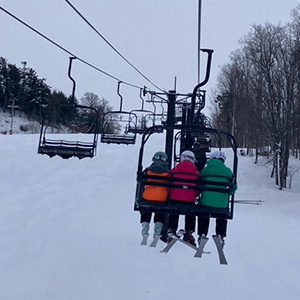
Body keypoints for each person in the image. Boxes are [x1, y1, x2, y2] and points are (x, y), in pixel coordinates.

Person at [197, 150, 237, 247]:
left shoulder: (206, 170)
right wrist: (228, 194)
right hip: (222, 203)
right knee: (222, 216)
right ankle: (220, 235)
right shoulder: (228, 171)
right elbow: (233, 187)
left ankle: (202, 234)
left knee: (204, 213)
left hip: (206, 202)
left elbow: (200, 185)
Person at [167, 150, 200, 246]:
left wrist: (170, 194)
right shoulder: (196, 173)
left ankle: (171, 229)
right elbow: (198, 189)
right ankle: (189, 232)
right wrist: (195, 195)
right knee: (190, 211)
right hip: (189, 200)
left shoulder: (175, 170)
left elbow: (168, 184)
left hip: (175, 199)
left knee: (174, 211)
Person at [140, 151, 170, 238]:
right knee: (160, 209)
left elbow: (140, 180)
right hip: (161, 198)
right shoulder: (167, 173)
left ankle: (145, 225)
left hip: (148, 196)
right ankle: (158, 227)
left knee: (146, 207)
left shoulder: (148, 170)